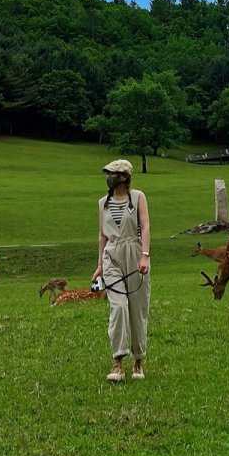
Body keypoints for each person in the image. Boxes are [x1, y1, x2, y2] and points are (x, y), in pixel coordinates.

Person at [92, 158, 150, 383]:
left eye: (114, 174)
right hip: (112, 256)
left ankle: (138, 361)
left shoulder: (137, 197)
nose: (110, 178)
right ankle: (117, 362)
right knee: (118, 307)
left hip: (134, 254)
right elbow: (102, 235)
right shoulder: (102, 203)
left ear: (124, 177)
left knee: (137, 309)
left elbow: (145, 226)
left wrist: (145, 255)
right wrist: (99, 266)